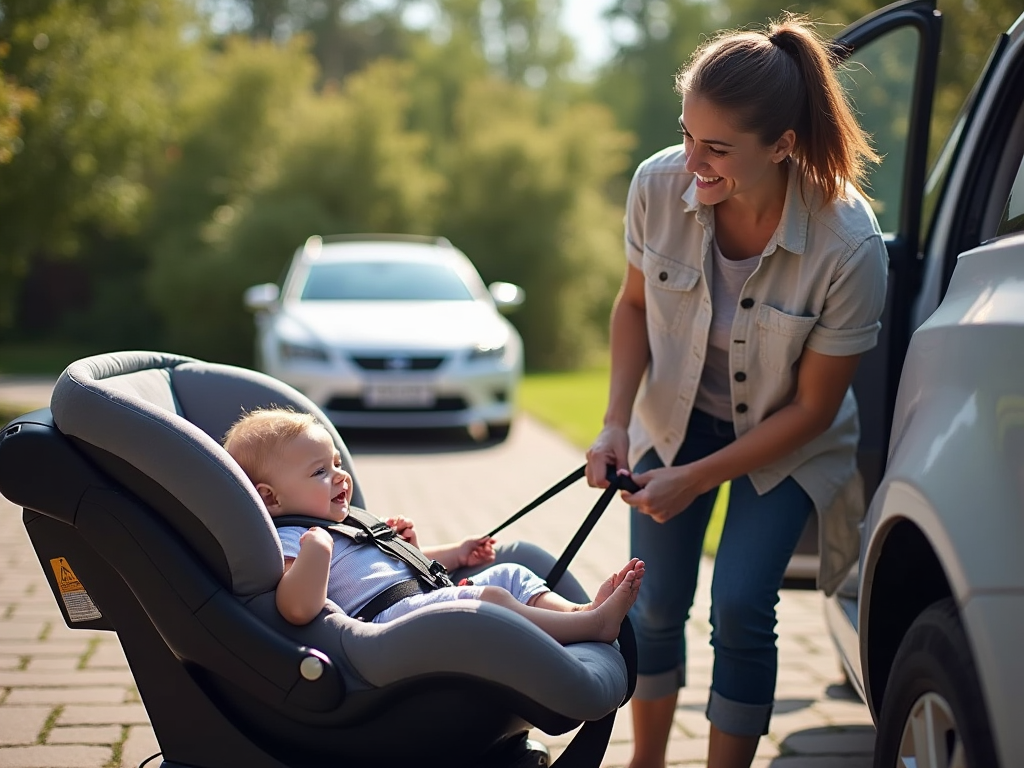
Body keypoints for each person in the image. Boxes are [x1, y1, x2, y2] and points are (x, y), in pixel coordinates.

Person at [583, 14, 888, 768]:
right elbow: (631, 306)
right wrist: (614, 423)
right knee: (652, 606)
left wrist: (694, 480)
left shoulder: (850, 242)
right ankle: (645, 761)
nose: (692, 162)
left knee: (743, 607)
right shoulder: (658, 185)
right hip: (673, 421)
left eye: (716, 149)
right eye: (687, 135)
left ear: (783, 146)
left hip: (786, 439)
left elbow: (814, 408)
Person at [223, 407, 644, 644]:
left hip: (422, 596)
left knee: (510, 575)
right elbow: (296, 607)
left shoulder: (346, 522)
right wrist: (315, 552)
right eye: (319, 472)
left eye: (336, 463)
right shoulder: (291, 537)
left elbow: (399, 569)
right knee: (492, 598)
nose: (340, 476)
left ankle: (581, 612)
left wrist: (451, 552)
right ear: (270, 498)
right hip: (389, 626)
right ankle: (593, 627)